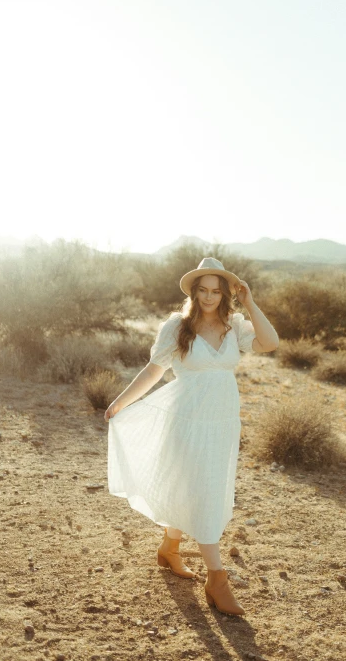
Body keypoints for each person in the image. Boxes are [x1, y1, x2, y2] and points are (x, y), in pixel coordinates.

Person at [104, 257, 279, 616]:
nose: (210, 297)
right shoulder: (177, 326)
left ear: (226, 293)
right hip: (185, 419)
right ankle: (217, 578)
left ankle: (170, 547)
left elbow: (271, 342)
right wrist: (121, 402)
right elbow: (155, 371)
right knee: (202, 492)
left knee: (199, 488)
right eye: (204, 290)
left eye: (217, 291)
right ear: (195, 292)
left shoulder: (236, 326)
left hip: (222, 421)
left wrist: (250, 301)